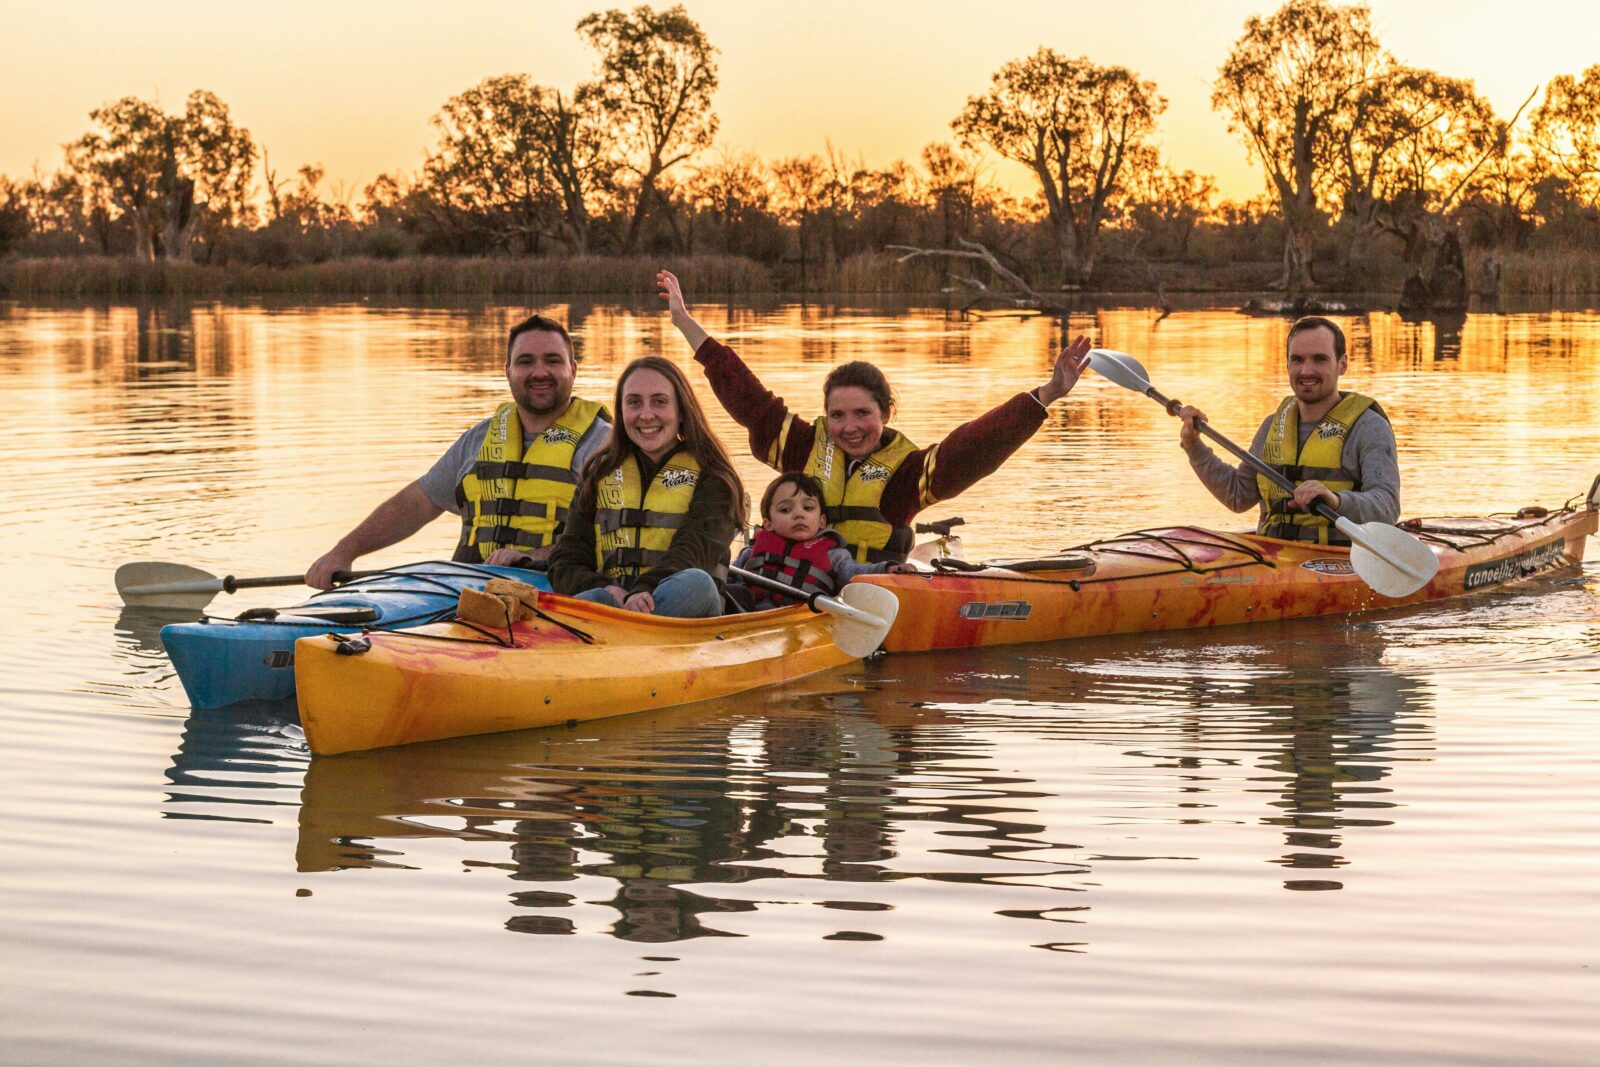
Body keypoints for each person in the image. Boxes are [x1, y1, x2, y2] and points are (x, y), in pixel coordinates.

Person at [657, 269, 1093, 564]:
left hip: (870, 589)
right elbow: (746, 394)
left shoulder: (906, 471)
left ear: (886, 412)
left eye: (863, 414)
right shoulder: (803, 446)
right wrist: (685, 323)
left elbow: (974, 448)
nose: (850, 428)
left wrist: (1047, 394)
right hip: (793, 589)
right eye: (838, 415)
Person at [305, 314, 610, 589]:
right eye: (526, 361)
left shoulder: (605, 444)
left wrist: (532, 557)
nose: (539, 372)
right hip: (467, 594)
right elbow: (417, 503)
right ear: (507, 371)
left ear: (573, 369)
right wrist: (343, 552)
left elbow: (614, 538)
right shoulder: (478, 440)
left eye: (553, 360)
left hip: (557, 594)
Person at [547, 355, 747, 618]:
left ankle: (617, 629)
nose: (646, 414)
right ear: (621, 411)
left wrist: (643, 592)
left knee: (697, 585)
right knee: (591, 597)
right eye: (634, 402)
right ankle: (614, 628)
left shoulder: (715, 477)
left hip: (679, 608)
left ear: (682, 410)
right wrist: (604, 588)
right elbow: (565, 560)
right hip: (613, 605)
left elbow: (692, 551)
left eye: (659, 402)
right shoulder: (599, 473)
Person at [1177, 316, 1400, 544]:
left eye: (1319, 359)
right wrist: (1194, 446)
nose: (1306, 370)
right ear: (1287, 365)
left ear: (1342, 364)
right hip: (1276, 560)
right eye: (1297, 360)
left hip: (1339, 559)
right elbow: (1238, 495)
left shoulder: (1368, 427)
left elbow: (1387, 508)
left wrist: (1335, 500)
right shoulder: (1272, 426)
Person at [728, 472, 914, 610]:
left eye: (808, 508)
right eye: (785, 510)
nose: (799, 514)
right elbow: (728, 579)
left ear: (822, 521)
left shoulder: (833, 554)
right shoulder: (749, 552)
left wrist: (888, 568)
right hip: (748, 614)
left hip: (800, 617)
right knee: (730, 590)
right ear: (767, 524)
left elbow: (858, 573)